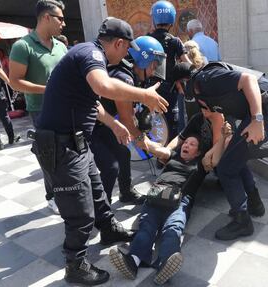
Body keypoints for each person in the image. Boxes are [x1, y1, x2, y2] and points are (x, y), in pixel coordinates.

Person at [32, 17, 168, 286]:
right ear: (118, 43)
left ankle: (108, 229)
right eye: (126, 49)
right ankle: (75, 264)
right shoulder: (90, 53)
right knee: (80, 214)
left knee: (97, 192)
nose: (126, 55)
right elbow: (103, 88)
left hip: (76, 144)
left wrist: (114, 124)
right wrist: (144, 96)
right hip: (61, 147)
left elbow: (93, 102)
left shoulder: (91, 56)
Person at [109, 132, 232, 285]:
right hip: (155, 197)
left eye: (192, 144)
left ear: (199, 152)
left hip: (179, 201)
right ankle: (132, 261)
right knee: (146, 227)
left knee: (173, 229)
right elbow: (153, 148)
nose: (186, 145)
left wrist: (224, 137)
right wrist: (139, 134)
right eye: (186, 142)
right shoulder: (172, 156)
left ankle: (165, 264)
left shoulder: (201, 163)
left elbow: (216, 159)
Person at [185, 61, 268, 240]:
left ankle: (242, 222)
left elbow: (248, 80)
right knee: (234, 158)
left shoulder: (204, 80)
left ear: (183, 83)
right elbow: (226, 111)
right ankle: (255, 205)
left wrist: (257, 120)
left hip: (266, 111)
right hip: (265, 110)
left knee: (226, 168)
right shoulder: (206, 88)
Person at [91, 35, 167, 204]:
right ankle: (102, 209)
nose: (154, 70)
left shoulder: (129, 75)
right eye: (154, 64)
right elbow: (126, 119)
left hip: (105, 123)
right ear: (143, 60)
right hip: (91, 125)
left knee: (123, 153)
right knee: (110, 167)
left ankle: (125, 193)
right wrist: (148, 144)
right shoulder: (123, 77)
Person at [9, 0, 67, 214]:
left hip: (66, 108)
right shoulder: (22, 46)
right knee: (48, 155)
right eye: (60, 18)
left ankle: (67, 190)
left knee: (67, 153)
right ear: (46, 17)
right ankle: (52, 195)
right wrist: (46, 90)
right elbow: (14, 81)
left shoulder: (61, 46)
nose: (63, 23)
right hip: (41, 110)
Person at [148, 0, 192, 141]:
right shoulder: (175, 41)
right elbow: (188, 64)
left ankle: (157, 156)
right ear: (172, 20)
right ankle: (168, 157)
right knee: (171, 126)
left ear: (154, 19)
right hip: (170, 92)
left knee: (154, 126)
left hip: (149, 91)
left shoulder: (146, 39)